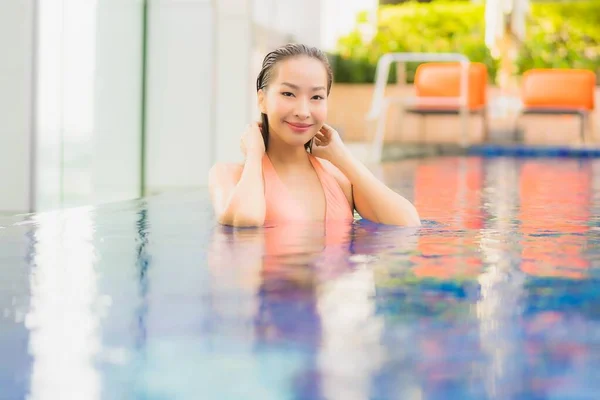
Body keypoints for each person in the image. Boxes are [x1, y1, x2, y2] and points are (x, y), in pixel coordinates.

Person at [209, 43, 420, 228]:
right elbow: (246, 221)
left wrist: (343, 158)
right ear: (262, 100)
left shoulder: (339, 178)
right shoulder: (228, 175)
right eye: (288, 94)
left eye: (316, 97)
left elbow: (407, 224)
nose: (303, 111)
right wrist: (255, 156)